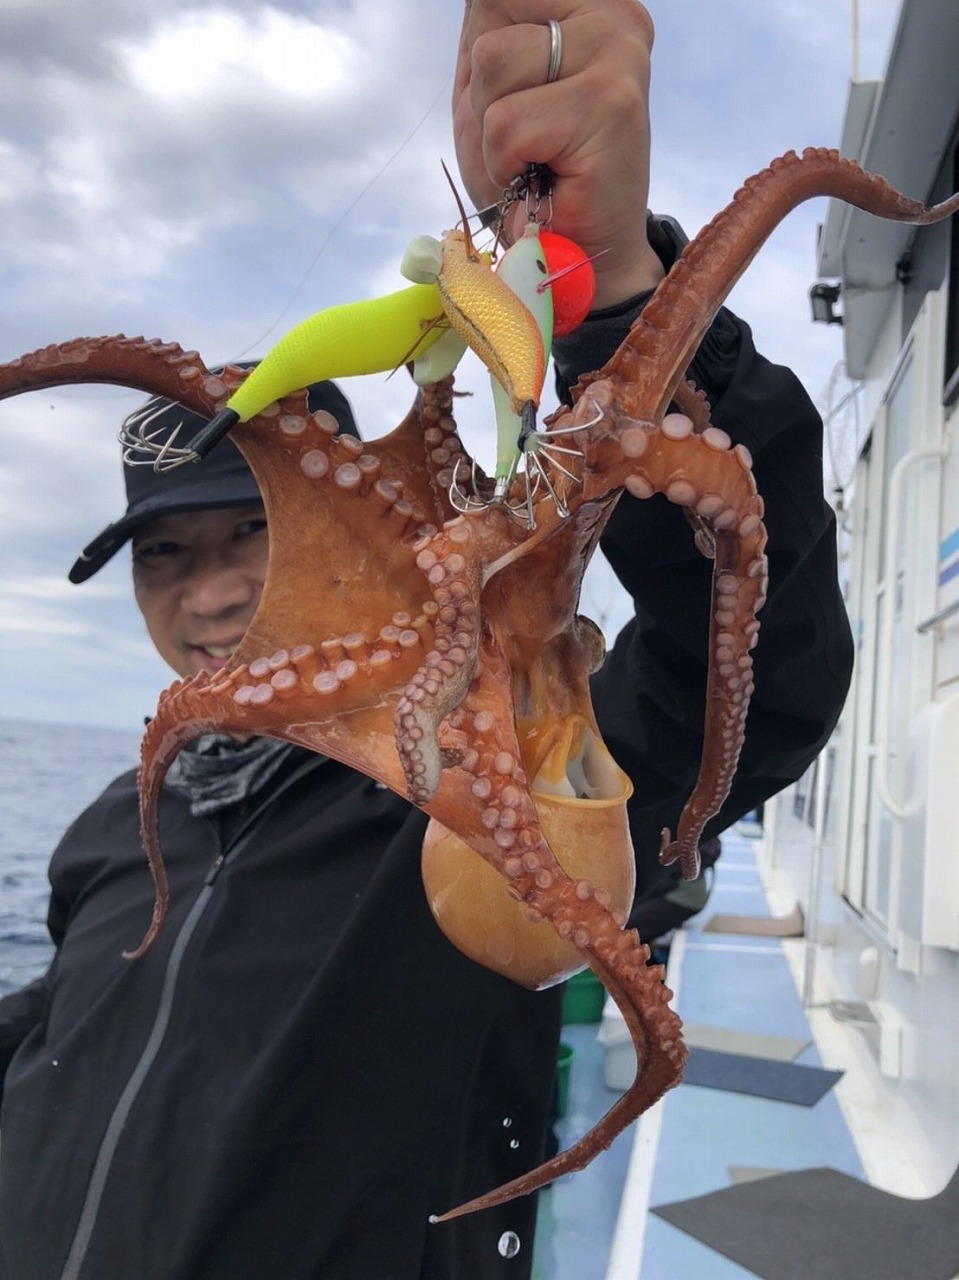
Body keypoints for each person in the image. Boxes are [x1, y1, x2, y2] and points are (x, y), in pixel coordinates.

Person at [0, 3, 854, 1278]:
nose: (212, 595)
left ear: (353, 547)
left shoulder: (465, 776)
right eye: (164, 558)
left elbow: (753, 675)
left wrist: (612, 287)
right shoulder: (109, 835)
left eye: (251, 537)